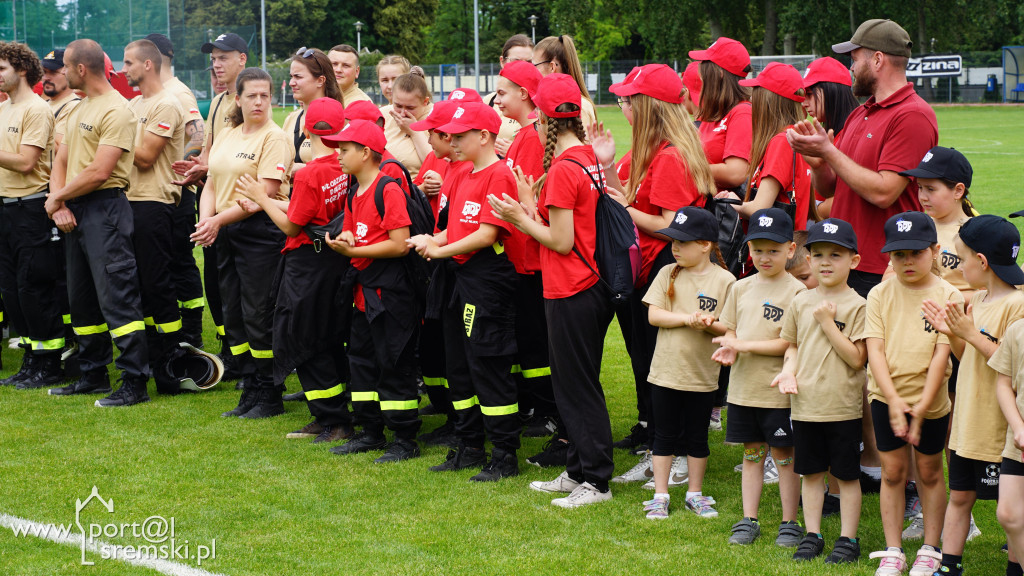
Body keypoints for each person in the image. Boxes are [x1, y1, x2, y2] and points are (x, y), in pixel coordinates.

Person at [489, 73, 615, 508]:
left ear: (543, 117)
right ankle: (578, 471)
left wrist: (518, 216)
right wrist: (528, 204)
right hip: (586, 285)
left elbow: (560, 241)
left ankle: (595, 482)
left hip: (572, 288)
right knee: (571, 384)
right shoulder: (585, 157)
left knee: (578, 388)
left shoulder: (563, 169)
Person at [604, 64, 716, 482]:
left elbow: (672, 223)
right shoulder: (652, 150)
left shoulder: (669, 157)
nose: (624, 107)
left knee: (668, 369)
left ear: (648, 107)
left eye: (629, 100)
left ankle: (679, 453)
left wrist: (623, 210)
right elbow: (623, 192)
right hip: (648, 273)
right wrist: (609, 167)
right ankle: (660, 447)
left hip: (665, 272)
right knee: (648, 364)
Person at [408, 102, 521, 482]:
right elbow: (455, 230)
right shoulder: (462, 174)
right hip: (459, 278)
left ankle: (504, 454)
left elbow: (487, 234)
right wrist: (431, 238)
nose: (451, 142)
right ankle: (469, 444)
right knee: (459, 366)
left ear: (484, 137)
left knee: (487, 365)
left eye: (459, 136)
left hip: (486, 281)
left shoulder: (498, 175)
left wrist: (439, 249)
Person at [788, 19, 938, 299]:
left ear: (878, 59)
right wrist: (819, 164)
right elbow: (830, 189)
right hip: (846, 260)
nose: (852, 68)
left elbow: (884, 192)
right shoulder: (860, 113)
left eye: (855, 59)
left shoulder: (912, 115)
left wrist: (829, 152)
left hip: (880, 267)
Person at [237, 97, 354, 445]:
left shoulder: (311, 173)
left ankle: (334, 419)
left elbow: (291, 227)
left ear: (305, 130)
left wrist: (261, 198)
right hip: (331, 261)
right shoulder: (341, 167)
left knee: (302, 337)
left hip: (306, 263)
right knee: (326, 335)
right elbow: (312, 213)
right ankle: (329, 416)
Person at [44, 38, 150, 406]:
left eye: (64, 68)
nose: (60, 73)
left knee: (117, 296)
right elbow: (61, 159)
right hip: (74, 209)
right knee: (82, 298)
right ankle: (93, 374)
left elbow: (100, 171)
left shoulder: (117, 110)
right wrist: (59, 204)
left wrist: (57, 197)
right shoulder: (78, 108)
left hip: (105, 209)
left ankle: (134, 381)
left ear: (80, 70)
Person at [921, 216, 1024, 576]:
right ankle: (949, 566)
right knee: (960, 495)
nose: (958, 267)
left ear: (982, 262)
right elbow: (967, 357)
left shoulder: (1017, 304)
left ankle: (1016, 565)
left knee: (1013, 510)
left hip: (998, 428)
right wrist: (953, 333)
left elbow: (1011, 364)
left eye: (962, 259)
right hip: (968, 421)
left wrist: (971, 332)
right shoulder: (977, 300)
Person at [862, 211, 961, 576]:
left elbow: (941, 356)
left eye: (915, 253)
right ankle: (893, 551)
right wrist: (893, 402)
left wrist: (919, 408)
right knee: (892, 472)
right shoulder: (879, 294)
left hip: (930, 402)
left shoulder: (948, 294)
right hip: (885, 397)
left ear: (935, 250)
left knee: (930, 472)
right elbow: (875, 351)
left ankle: (930, 549)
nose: (906, 261)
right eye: (898, 254)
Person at [190, 67, 291, 419]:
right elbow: (213, 184)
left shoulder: (274, 137)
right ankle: (249, 385)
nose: (260, 101)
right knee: (232, 312)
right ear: (239, 98)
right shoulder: (228, 133)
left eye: (265, 95)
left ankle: (270, 392)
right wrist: (207, 219)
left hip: (259, 232)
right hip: (224, 231)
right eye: (252, 95)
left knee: (258, 314)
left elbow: (263, 194)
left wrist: (216, 219)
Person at [323, 119, 422, 463]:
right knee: (361, 362)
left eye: (345, 149)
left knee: (392, 362)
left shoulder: (388, 188)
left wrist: (354, 252)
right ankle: (370, 431)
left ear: (366, 153)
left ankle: (405, 438)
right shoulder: (354, 191)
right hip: (363, 296)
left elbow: (400, 245)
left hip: (391, 295)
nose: (338, 155)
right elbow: (352, 232)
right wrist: (342, 239)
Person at [774, 218, 867, 564]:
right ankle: (812, 533)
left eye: (836, 255)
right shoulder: (801, 300)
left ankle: (848, 539)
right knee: (810, 473)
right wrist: (787, 372)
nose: (826, 262)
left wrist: (828, 323)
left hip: (842, 406)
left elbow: (857, 358)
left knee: (845, 475)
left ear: (854, 261)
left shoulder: (859, 305)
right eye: (819, 254)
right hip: (806, 405)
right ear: (808, 259)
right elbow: (793, 346)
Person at [712, 208, 807, 547]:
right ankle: (748, 519)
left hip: (777, 394)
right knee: (752, 455)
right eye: (757, 249)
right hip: (742, 391)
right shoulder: (740, 288)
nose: (764, 257)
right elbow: (732, 330)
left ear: (791, 250)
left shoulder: (798, 293)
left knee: (784, 458)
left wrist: (741, 343)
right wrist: (730, 348)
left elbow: (788, 343)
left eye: (773, 250)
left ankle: (790, 522)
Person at [639, 207, 734, 520]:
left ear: (705, 244)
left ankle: (695, 494)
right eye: (673, 241)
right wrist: (687, 319)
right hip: (665, 374)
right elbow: (654, 315)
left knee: (697, 437)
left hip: (702, 375)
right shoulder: (668, 272)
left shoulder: (726, 280)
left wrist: (709, 323)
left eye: (682, 242)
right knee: (662, 436)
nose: (674, 247)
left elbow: (732, 328)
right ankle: (660, 495)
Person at [493, 60, 558, 452]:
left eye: (503, 92)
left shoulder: (533, 137)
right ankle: (538, 406)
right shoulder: (521, 134)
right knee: (527, 339)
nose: (497, 99)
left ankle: (547, 410)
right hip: (520, 253)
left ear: (524, 93)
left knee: (537, 341)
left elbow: (530, 196)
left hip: (534, 256)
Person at [118, 39, 188, 395]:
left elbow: (144, 157)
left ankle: (171, 365)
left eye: (129, 63)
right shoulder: (133, 104)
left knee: (158, 285)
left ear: (148, 65)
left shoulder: (166, 104)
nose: (123, 69)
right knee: (139, 287)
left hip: (154, 204)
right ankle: (150, 362)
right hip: (129, 202)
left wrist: (112, 141)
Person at [0, 42, 65, 390]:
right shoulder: (4, 108)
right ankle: (30, 360)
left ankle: (49, 364)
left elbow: (26, 163)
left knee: (34, 286)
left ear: (22, 70)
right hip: (6, 208)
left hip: (30, 207)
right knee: (12, 290)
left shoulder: (37, 110)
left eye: (1, 69)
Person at [143, 33, 208, 349]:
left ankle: (191, 333)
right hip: (158, 194)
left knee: (180, 262)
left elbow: (197, 134)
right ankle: (170, 331)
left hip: (175, 194)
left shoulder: (177, 93)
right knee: (164, 264)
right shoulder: (156, 92)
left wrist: (182, 169)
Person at [726, 62, 812, 232]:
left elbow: (759, 208)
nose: (751, 100)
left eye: (756, 94)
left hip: (774, 250)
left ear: (767, 102)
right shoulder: (794, 136)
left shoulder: (782, 141)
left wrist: (732, 201)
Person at [688, 37, 753, 193]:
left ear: (718, 73)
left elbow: (736, 173)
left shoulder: (742, 112)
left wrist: (688, 169)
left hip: (723, 211)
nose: (701, 73)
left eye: (705, 66)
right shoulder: (715, 114)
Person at [800, 56, 857, 221]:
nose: (804, 102)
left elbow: (847, 199)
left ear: (832, 92)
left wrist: (811, 209)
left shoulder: (853, 133)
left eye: (810, 94)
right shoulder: (828, 132)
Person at [993, 306, 1024, 576]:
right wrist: (1018, 427)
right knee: (1008, 514)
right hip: (1019, 443)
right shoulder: (1017, 330)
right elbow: (1004, 384)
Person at [282, 47, 341, 170]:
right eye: (291, 76)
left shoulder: (337, 121)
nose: (291, 82)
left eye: (298, 77)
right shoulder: (291, 119)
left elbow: (341, 167)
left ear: (320, 80)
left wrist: (303, 170)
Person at [531, 35, 597, 131]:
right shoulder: (559, 102)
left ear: (552, 67)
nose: (532, 72)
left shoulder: (578, 106)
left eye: (534, 66)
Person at [487, 34, 534, 151]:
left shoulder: (543, 104)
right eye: (516, 61)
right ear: (502, 61)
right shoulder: (489, 102)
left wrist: (513, 152)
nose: (523, 66)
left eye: (529, 62)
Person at [383, 73, 432, 178]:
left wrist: (414, 131)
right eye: (398, 105)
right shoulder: (383, 115)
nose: (402, 113)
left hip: (418, 189)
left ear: (425, 102)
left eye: (410, 108)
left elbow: (434, 165)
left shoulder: (436, 119)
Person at [39, 49, 80, 149]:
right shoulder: (44, 104)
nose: (46, 78)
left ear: (68, 72)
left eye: (52, 72)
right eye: (44, 72)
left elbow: (60, 148)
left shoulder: (74, 106)